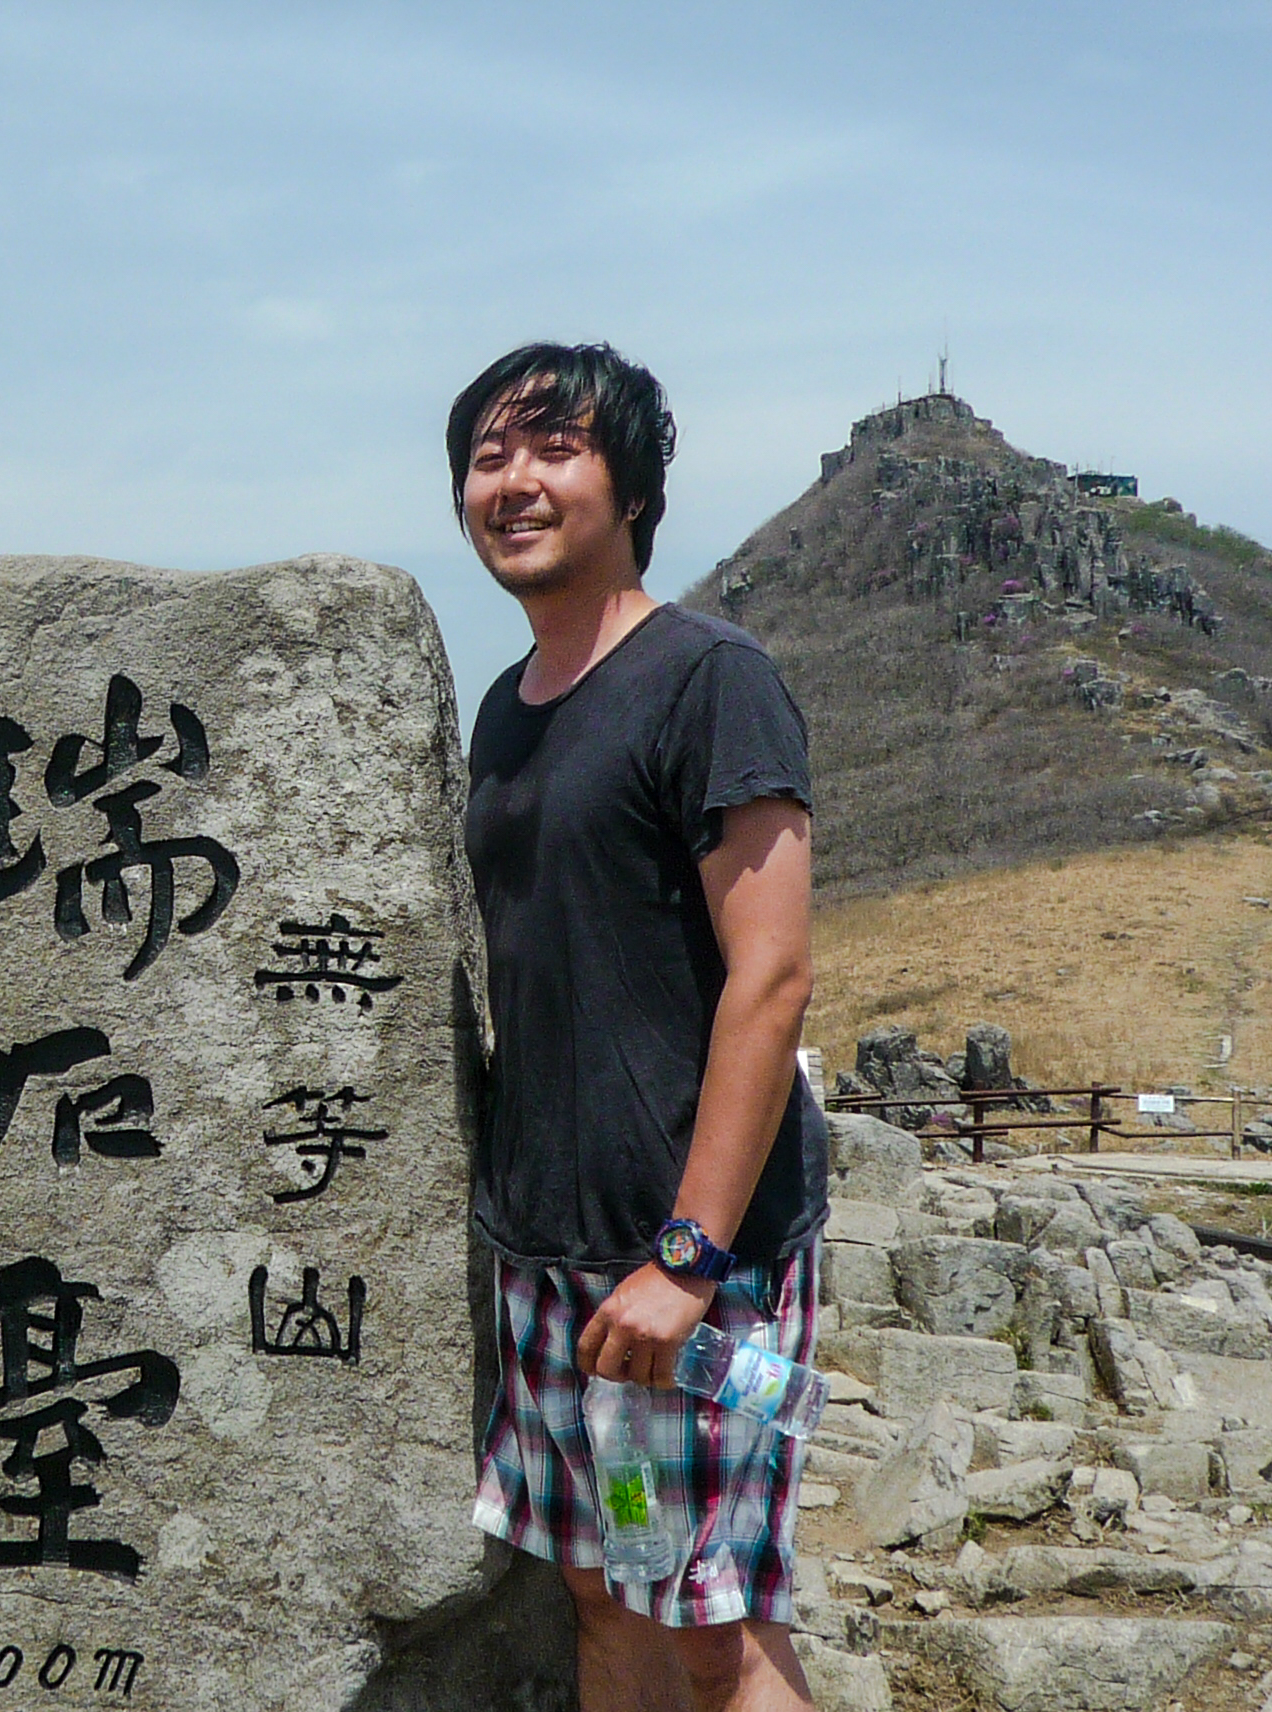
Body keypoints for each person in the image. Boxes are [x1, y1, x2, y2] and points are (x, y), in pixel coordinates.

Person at [452, 343, 828, 1712]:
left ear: (631, 488)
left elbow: (771, 974)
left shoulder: (708, 676)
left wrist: (687, 1255)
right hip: (553, 1254)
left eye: (554, 449)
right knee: (608, 1586)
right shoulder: (507, 708)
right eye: (488, 456)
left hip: (698, 1262)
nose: (514, 481)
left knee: (714, 1625)